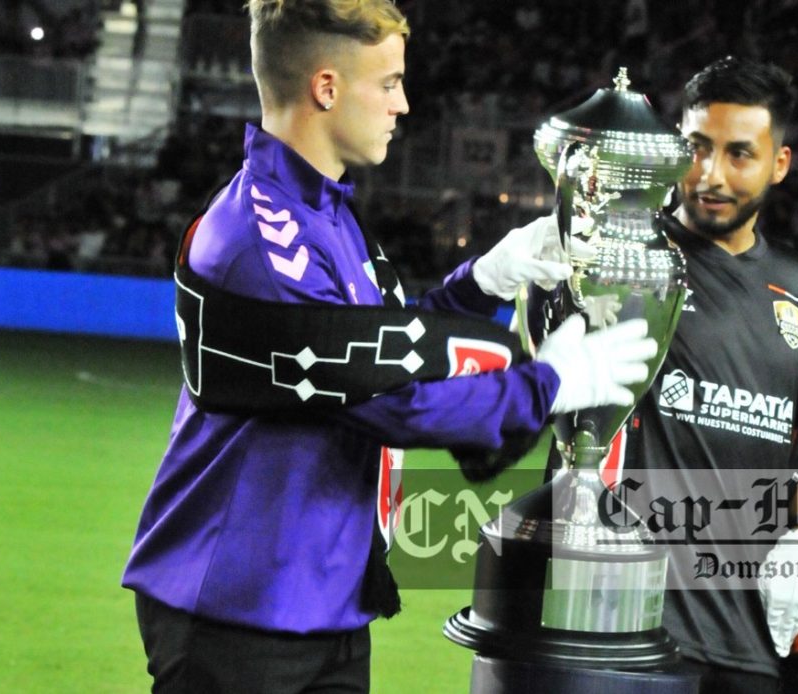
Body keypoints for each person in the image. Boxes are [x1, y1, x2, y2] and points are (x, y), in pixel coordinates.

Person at [121, 1, 656, 692]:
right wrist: (546, 385)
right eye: (390, 82)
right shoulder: (263, 238)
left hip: (327, 602)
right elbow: (386, 399)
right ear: (326, 87)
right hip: (238, 606)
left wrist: (485, 279)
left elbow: (384, 351)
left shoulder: (328, 215)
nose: (403, 104)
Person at [581, 57, 798, 693]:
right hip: (632, 626)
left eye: (739, 155)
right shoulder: (627, 260)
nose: (711, 175)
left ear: (779, 163)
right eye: (697, 149)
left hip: (754, 637)